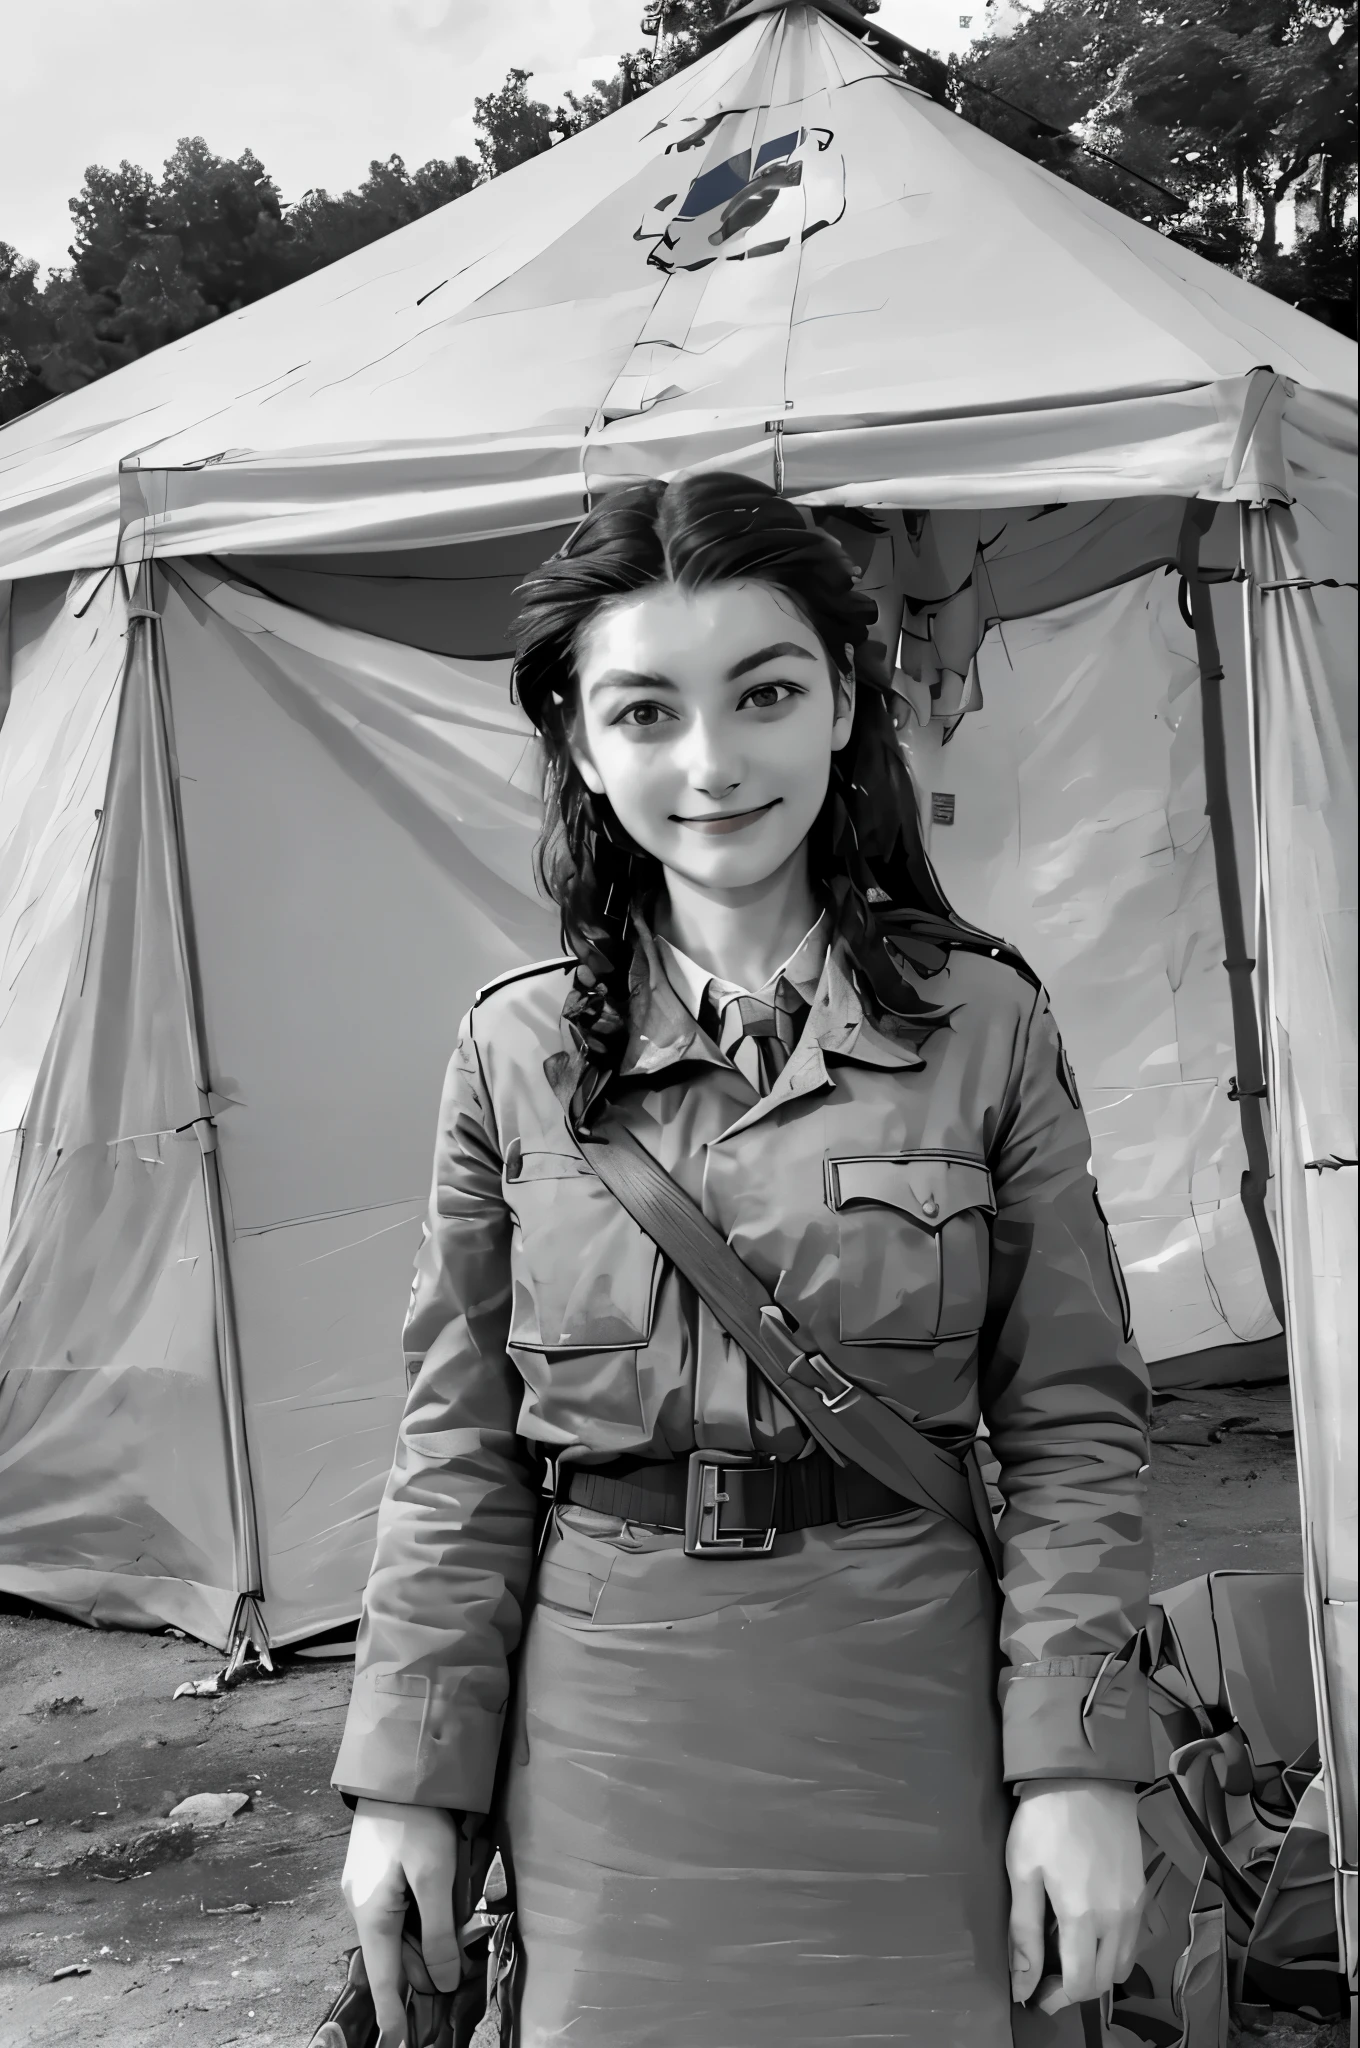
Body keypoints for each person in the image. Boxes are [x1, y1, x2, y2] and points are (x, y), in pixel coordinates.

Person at [333, 473, 1155, 2048]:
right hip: (608, 1732)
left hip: (912, 1706)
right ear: (582, 742)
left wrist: (1076, 1766)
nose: (711, 764)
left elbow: (1074, 1428)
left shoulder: (986, 1028)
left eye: (764, 693)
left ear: (843, 702)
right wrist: (408, 1788)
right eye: (645, 712)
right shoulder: (511, 1051)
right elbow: (456, 1452)